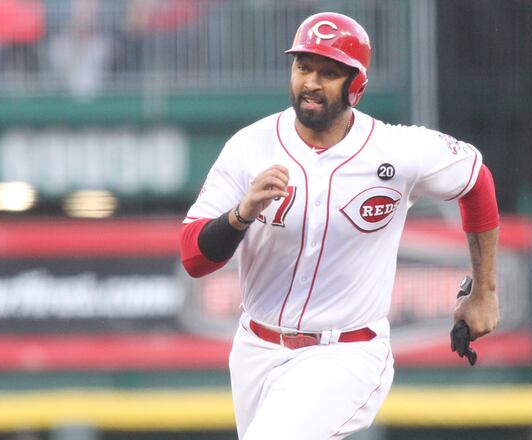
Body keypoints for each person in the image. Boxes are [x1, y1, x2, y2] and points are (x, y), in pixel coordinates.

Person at [179, 12, 500, 440]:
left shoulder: (396, 149)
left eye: (329, 72)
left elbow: (476, 179)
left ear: (356, 85)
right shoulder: (250, 146)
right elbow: (193, 257)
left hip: (346, 352)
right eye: (303, 66)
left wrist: (484, 290)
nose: (311, 81)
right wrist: (240, 214)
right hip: (254, 347)